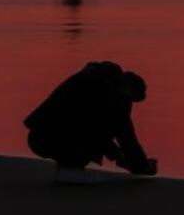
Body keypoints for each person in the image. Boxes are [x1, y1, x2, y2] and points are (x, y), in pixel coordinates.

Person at [24, 61, 157, 177]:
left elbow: (119, 132)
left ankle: (68, 166)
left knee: (88, 138)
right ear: (127, 89)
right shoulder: (108, 95)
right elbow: (122, 134)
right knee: (88, 145)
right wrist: (136, 164)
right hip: (48, 138)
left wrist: (131, 160)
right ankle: (70, 168)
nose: (129, 104)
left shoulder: (93, 78)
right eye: (130, 99)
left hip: (37, 137)